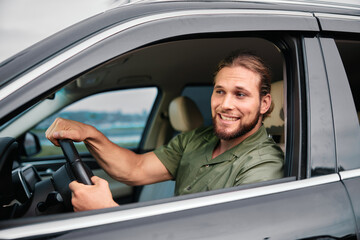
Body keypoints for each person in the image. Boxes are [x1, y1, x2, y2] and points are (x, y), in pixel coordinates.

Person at [46, 51, 284, 212]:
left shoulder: (264, 165)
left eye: (240, 94)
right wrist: (89, 133)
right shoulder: (198, 138)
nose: (225, 104)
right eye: (220, 91)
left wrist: (106, 213)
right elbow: (135, 168)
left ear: (264, 104)